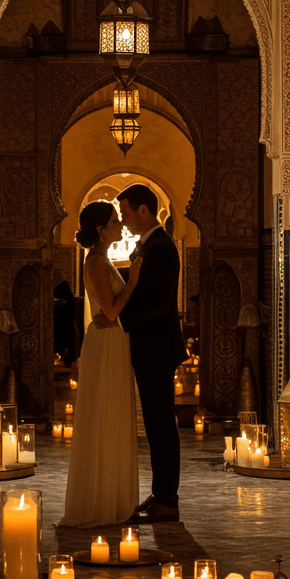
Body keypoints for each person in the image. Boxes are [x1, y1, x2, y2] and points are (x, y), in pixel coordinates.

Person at [98, 182, 186, 523]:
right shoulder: (149, 246)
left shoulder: (161, 248)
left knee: (161, 425)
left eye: (126, 212)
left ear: (144, 211)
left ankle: (168, 501)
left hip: (158, 349)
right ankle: (161, 493)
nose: (124, 220)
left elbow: (161, 304)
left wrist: (120, 321)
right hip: (151, 348)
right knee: (155, 424)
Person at [59, 201, 142, 527]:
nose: (120, 225)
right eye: (113, 221)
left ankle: (112, 498)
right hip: (105, 344)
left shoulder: (101, 259)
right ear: (99, 230)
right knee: (104, 417)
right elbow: (109, 311)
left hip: (112, 341)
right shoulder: (94, 261)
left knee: (111, 416)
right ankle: (101, 503)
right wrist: (133, 279)